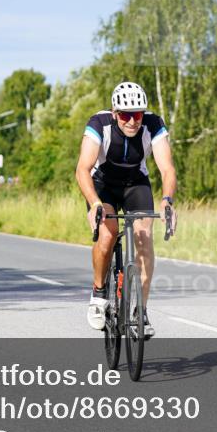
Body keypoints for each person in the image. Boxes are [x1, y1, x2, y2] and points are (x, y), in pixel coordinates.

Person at [75, 81, 177, 339]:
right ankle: (99, 292)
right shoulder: (99, 124)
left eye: (138, 114)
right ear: (115, 113)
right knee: (107, 235)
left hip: (135, 184)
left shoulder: (153, 124)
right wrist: (94, 203)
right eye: (126, 115)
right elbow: (82, 169)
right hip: (103, 186)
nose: (132, 121)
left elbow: (167, 169)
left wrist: (167, 200)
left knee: (144, 237)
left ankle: (139, 312)